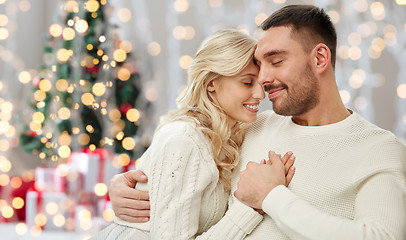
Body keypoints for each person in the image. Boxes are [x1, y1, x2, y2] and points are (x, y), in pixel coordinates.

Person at [108, 5, 406, 240]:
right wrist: (127, 190)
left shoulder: (377, 148)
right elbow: (174, 168)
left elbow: (381, 236)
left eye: (276, 61)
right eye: (259, 67)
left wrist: (272, 197)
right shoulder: (250, 126)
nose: (263, 80)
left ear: (319, 59)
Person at [91, 28, 295, 240]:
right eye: (247, 82)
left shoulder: (230, 136)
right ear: (211, 83)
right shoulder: (184, 140)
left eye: (261, 83)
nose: (260, 94)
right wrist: (252, 207)